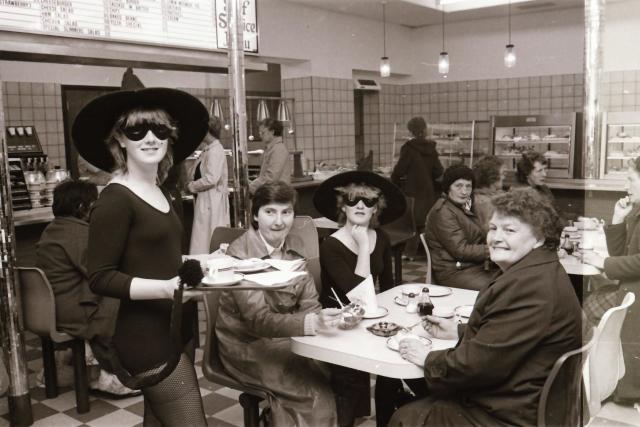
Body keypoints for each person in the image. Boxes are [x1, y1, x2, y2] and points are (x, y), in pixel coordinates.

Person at [73, 84, 209, 425]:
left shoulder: (161, 191)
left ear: (170, 136)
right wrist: (167, 288)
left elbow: (159, 257)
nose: (150, 138)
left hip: (176, 325)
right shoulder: (116, 198)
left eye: (159, 130)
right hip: (145, 335)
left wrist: (201, 266)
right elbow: (101, 276)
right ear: (119, 139)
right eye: (137, 130)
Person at [390, 187, 582, 427]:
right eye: (493, 228)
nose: (496, 237)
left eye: (509, 230)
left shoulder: (528, 288)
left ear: (539, 238)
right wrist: (458, 331)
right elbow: (507, 337)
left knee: (403, 417)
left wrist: (428, 358)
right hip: (525, 400)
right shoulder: (538, 270)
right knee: (420, 394)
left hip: (508, 415)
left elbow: (474, 368)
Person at [216, 181, 341, 426]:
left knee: (338, 369)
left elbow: (309, 302)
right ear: (255, 215)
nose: (279, 221)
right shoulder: (239, 254)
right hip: (245, 344)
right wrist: (311, 323)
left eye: (286, 212)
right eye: (270, 212)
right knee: (314, 392)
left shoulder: (296, 245)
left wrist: (319, 321)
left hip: (285, 337)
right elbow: (256, 320)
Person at [314, 171, 424, 427]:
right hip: (340, 323)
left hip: (372, 318)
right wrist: (363, 245)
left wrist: (401, 322)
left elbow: (389, 287)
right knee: (350, 383)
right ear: (342, 205)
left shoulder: (381, 237)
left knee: (396, 364)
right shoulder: (330, 244)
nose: (360, 205)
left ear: (377, 208)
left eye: (368, 201)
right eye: (352, 200)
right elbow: (358, 296)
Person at [36, 179, 137, 396]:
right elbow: (101, 271)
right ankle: (113, 375)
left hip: (51, 308)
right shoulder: (78, 233)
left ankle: (96, 367)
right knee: (120, 300)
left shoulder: (53, 229)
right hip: (71, 311)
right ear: (83, 208)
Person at [581, 157, 640, 405]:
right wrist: (618, 218)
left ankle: (609, 383)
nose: (626, 184)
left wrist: (600, 262)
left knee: (586, 311)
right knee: (589, 304)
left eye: (631, 179)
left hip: (635, 293)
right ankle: (607, 380)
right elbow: (621, 256)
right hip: (629, 288)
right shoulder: (636, 209)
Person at [425, 164, 494, 290]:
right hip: (454, 273)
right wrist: (493, 249)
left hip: (469, 267)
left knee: (511, 279)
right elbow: (460, 251)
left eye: (468, 186)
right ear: (448, 187)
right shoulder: (443, 212)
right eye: (459, 186)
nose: (464, 191)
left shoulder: (458, 207)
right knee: (503, 287)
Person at [391, 116, 443, 260]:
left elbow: (400, 169)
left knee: (412, 222)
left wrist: (393, 180)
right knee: (424, 222)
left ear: (410, 130)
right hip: (428, 191)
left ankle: (409, 253)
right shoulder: (432, 148)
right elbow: (438, 171)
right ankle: (429, 253)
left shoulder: (408, 148)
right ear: (425, 129)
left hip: (413, 190)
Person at [187, 116, 230, 254]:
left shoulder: (215, 150)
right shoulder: (208, 149)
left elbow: (211, 178)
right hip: (206, 199)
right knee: (202, 238)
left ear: (208, 131)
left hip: (212, 201)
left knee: (209, 238)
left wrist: (192, 186)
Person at [249, 117, 291, 194]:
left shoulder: (278, 149)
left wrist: (252, 187)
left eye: (263, 133)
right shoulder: (271, 148)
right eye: (260, 133)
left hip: (278, 196)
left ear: (272, 132)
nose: (260, 135)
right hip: (272, 194)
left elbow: (271, 178)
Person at [472, 155, 506, 231]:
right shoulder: (485, 203)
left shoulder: (482, 196)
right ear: (491, 176)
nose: (504, 177)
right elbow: (490, 231)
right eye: (503, 173)